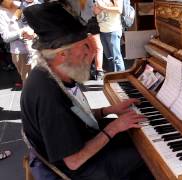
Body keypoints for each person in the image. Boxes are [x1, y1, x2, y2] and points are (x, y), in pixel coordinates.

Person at [21, 2, 152, 179]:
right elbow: (73, 161)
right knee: (149, 157)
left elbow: (75, 117)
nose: (91, 53)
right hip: (80, 169)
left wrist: (108, 111)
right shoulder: (48, 96)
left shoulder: (51, 73)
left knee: (135, 134)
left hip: (80, 142)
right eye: (85, 47)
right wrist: (113, 128)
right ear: (61, 55)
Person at [0, 0, 31, 86]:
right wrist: (22, 32)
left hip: (37, 47)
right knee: (30, 83)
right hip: (21, 53)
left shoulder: (20, 4)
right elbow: (6, 37)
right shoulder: (1, 13)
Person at [94, 0, 126, 72]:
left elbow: (119, 9)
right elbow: (95, 12)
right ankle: (113, 77)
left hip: (113, 30)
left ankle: (122, 79)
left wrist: (103, 7)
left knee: (116, 58)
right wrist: (99, 8)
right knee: (109, 58)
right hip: (102, 30)